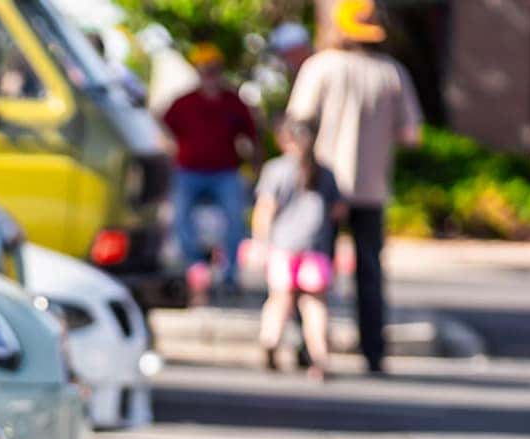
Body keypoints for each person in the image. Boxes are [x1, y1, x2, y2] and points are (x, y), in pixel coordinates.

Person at [286, 0, 422, 376]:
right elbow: (411, 134)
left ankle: (308, 346)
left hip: (322, 186)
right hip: (372, 187)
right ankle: (373, 350)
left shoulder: (321, 67)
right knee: (370, 272)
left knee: (314, 270)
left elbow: (298, 123)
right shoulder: (392, 73)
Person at [161, 42, 261, 298]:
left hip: (225, 172)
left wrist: (256, 167)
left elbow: (251, 136)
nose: (209, 73)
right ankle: (196, 268)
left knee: (236, 222)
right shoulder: (184, 102)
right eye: (204, 68)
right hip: (188, 171)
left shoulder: (233, 102)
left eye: (213, 68)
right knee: (178, 218)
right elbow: (162, 128)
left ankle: (230, 276)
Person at [254, 120, 343, 381]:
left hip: (283, 245)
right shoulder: (325, 172)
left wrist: (261, 241)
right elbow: (338, 210)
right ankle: (320, 356)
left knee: (279, 299)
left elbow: (265, 208)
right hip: (315, 246)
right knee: (314, 303)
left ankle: (270, 339)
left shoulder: (276, 170)